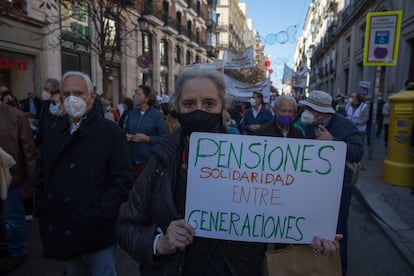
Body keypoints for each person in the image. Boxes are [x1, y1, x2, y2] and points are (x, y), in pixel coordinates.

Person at [116, 70, 341, 276]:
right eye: (189, 103)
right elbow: (126, 226)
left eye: (209, 103)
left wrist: (310, 235)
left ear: (223, 108)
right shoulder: (161, 160)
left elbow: (280, 216)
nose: (198, 111)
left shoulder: (253, 160)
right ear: (177, 108)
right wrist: (159, 243)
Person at [35, 71, 134, 276]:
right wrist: (44, 208)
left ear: (90, 96)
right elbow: (43, 175)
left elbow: (123, 181)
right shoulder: (54, 131)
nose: (72, 98)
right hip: (64, 226)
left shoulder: (111, 133)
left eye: (78, 93)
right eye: (66, 93)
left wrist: (98, 213)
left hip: (97, 231)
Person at [298, 90, 364, 275]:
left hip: (339, 188)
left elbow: (358, 152)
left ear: (320, 111)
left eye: (308, 108)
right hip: (314, 186)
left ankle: (338, 269)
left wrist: (333, 141)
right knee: (314, 227)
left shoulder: (345, 125)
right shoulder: (311, 124)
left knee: (337, 228)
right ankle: (314, 265)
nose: (304, 111)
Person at [0, 98, 37, 274]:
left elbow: (29, 150)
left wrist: (32, 179)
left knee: (13, 217)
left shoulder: (15, 116)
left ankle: (17, 251)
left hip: (11, 178)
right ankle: (4, 246)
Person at [124, 85, 168, 180]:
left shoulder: (157, 115)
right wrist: (126, 136)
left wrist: (147, 139)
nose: (135, 96)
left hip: (147, 162)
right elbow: (125, 131)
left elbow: (164, 137)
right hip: (131, 161)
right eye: (135, 93)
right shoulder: (131, 114)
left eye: (139, 94)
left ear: (147, 98)